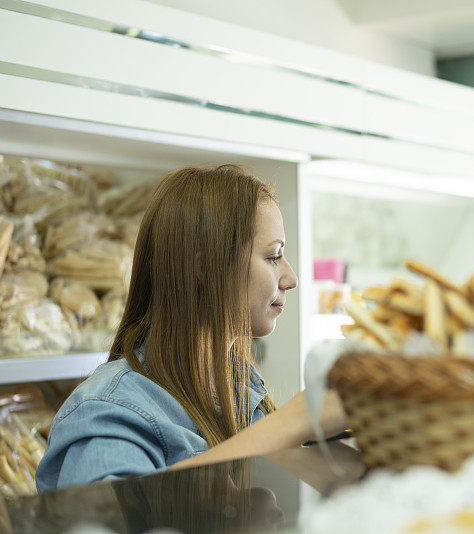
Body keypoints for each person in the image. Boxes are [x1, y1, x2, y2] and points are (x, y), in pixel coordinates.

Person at [36, 164, 346, 491]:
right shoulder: (107, 412)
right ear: (204, 268)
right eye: (273, 257)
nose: (291, 278)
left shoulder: (242, 390)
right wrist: (290, 424)